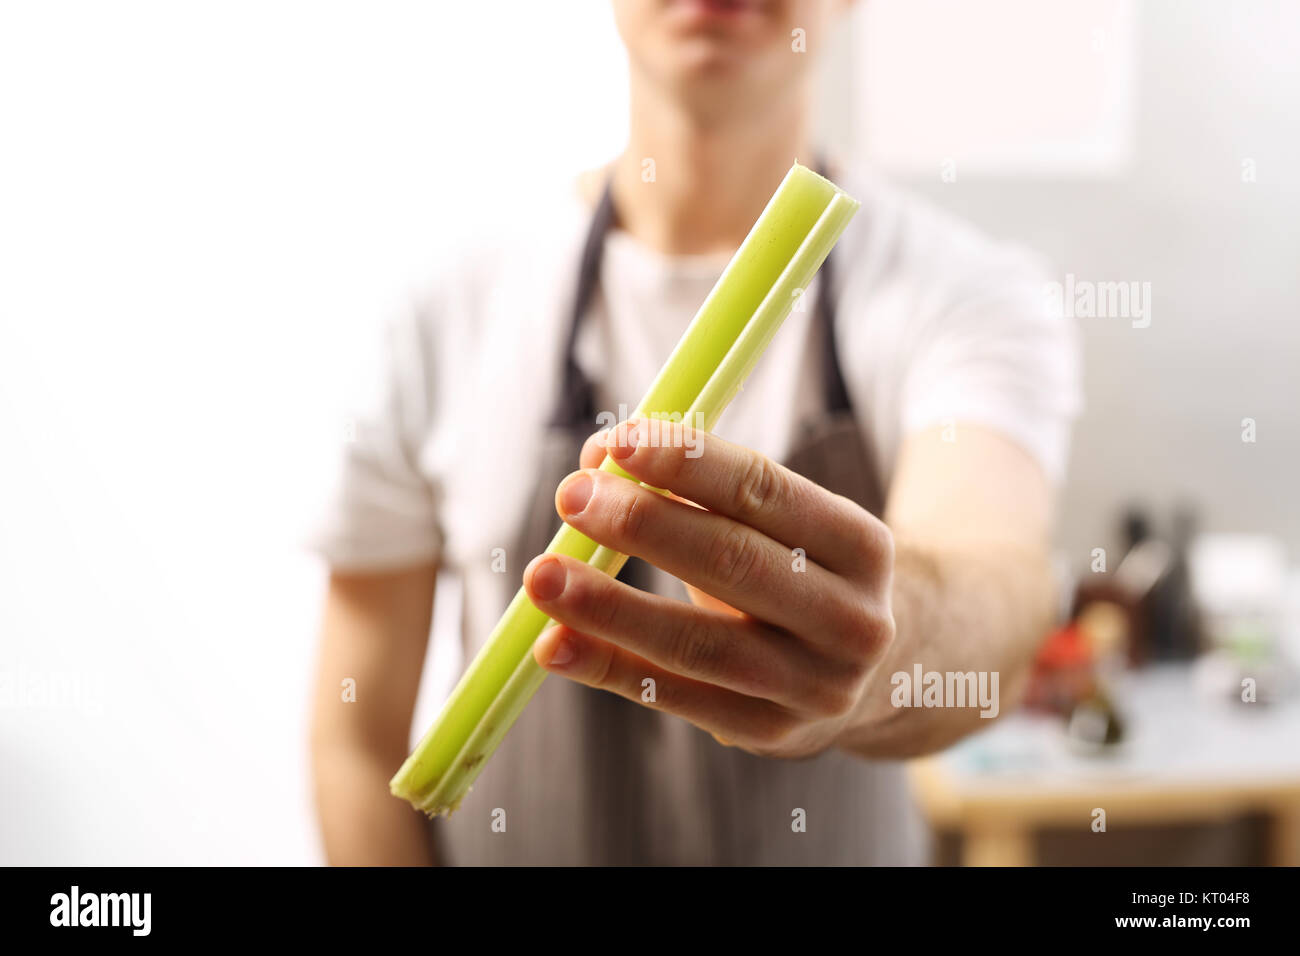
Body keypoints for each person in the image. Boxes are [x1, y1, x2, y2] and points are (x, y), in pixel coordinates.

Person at [309, 0, 1080, 865]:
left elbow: (997, 590)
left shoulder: (963, 294)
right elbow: (354, 742)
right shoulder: (442, 305)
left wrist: (883, 650)